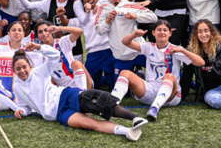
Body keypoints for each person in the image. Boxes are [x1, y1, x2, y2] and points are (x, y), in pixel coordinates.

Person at [13, 44, 148, 142]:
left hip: (64, 96)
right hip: (58, 114)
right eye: (18, 69)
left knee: (95, 102)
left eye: (24, 67)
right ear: (14, 70)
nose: (22, 71)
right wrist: (21, 111)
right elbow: (26, 107)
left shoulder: (39, 72)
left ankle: (135, 119)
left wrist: (39, 47)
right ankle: (127, 131)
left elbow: (55, 56)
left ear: (30, 66)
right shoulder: (17, 87)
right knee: (88, 124)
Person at [113, 21, 205, 121]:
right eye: (159, 30)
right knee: (124, 73)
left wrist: (183, 50)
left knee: (169, 76)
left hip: (171, 96)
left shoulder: (175, 49)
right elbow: (125, 42)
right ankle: (112, 103)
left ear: (170, 33)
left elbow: (201, 62)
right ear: (153, 32)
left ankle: (154, 108)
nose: (162, 32)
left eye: (165, 30)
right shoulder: (148, 47)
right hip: (150, 90)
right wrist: (134, 34)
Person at [95, 0, 158, 79]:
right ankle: (137, 74)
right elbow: (99, 30)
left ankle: (139, 70)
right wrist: (108, 20)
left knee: (158, 74)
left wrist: (135, 16)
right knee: (119, 89)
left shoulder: (130, 5)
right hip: (120, 56)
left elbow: (154, 17)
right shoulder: (103, 7)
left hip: (138, 52)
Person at [18, 0, 83, 60]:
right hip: (55, 48)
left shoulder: (75, 2)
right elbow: (29, 5)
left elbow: (82, 23)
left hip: (75, 47)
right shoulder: (49, 2)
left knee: (75, 71)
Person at [34, 22, 92, 89]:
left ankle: (82, 92)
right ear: (37, 35)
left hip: (81, 81)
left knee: (76, 63)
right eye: (40, 32)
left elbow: (79, 31)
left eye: (46, 30)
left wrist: (59, 28)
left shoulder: (62, 42)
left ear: (51, 30)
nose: (44, 34)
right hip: (64, 89)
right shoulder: (39, 52)